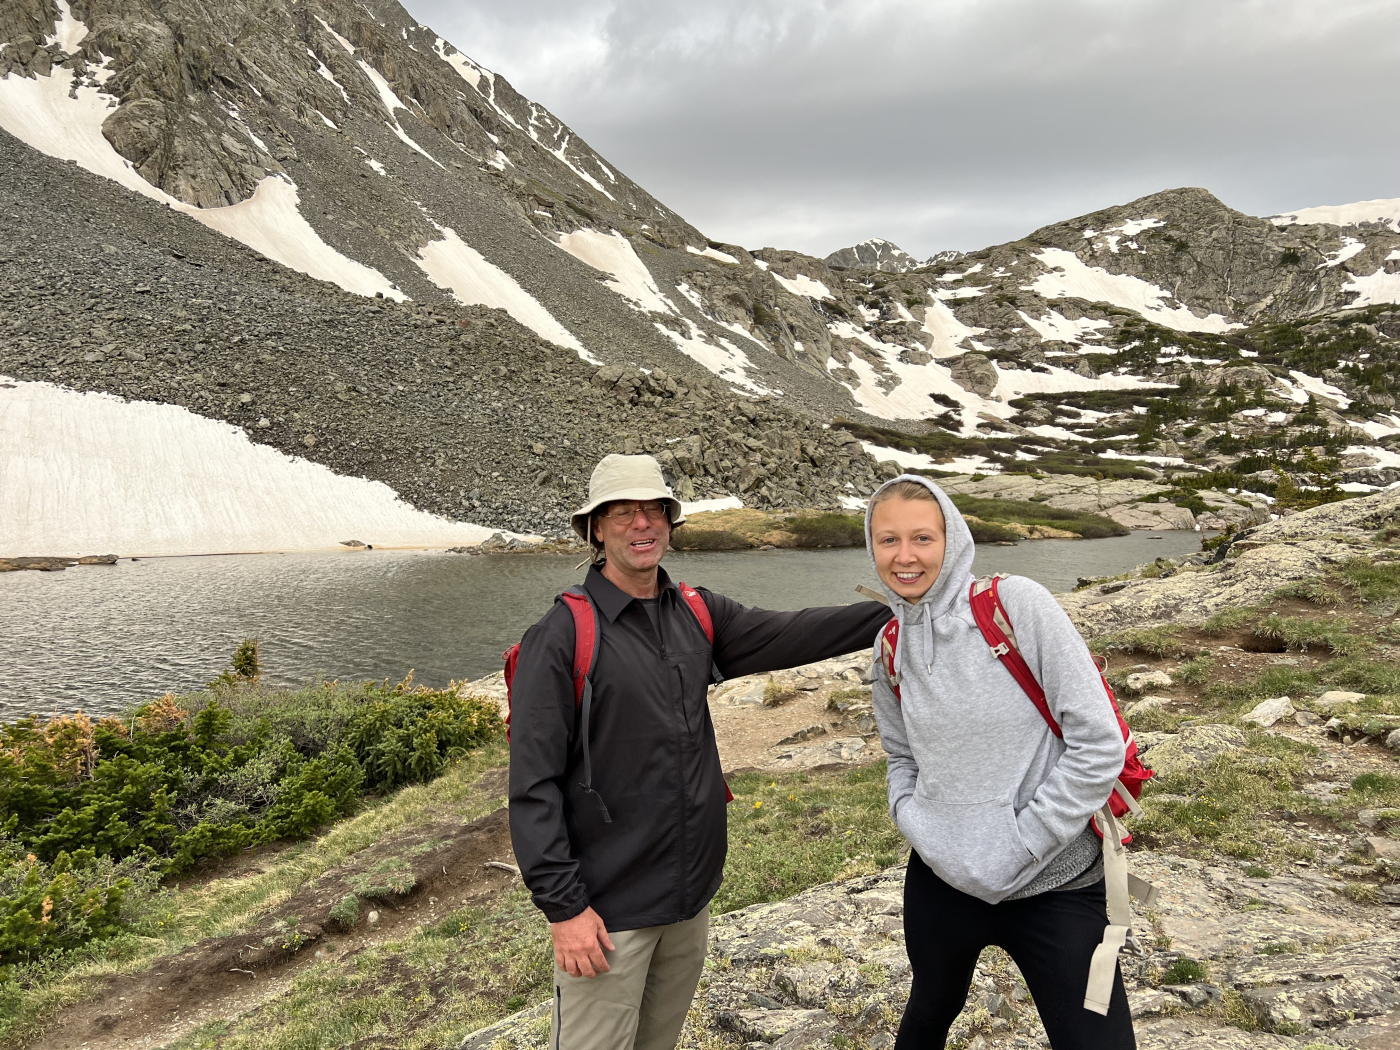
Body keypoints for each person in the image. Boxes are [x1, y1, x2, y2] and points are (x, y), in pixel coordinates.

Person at [509, 453, 893, 1050]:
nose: (643, 524)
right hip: (607, 914)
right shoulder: (560, 636)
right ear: (596, 530)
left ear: (670, 521)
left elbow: (795, 632)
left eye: (655, 510)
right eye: (623, 513)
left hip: (689, 899)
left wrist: (905, 607)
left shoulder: (696, 612)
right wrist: (564, 910)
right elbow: (532, 786)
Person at [865, 474, 1136, 1049]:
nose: (905, 556)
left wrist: (1025, 842)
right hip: (941, 879)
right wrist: (913, 817)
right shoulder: (890, 643)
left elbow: (1099, 742)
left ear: (953, 539)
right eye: (888, 540)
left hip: (1056, 882)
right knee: (929, 1012)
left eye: (922, 538)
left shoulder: (1016, 604)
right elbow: (900, 753)